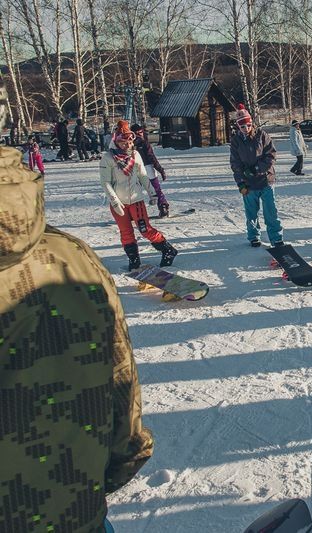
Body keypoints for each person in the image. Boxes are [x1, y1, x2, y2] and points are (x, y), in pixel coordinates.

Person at [0, 145, 154, 532]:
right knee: (128, 233)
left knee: (142, 227)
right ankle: (137, 256)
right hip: (77, 509)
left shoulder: (132, 155)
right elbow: (121, 388)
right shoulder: (73, 256)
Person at [101, 120, 178, 270]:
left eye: (130, 143)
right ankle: (134, 260)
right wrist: (115, 201)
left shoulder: (135, 155)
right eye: (124, 143)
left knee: (145, 229)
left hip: (136, 200)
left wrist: (152, 193)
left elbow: (143, 175)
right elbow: (105, 182)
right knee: (126, 232)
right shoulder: (108, 158)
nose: (128, 146)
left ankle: (168, 250)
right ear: (116, 142)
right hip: (119, 202)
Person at [230, 103, 284, 248]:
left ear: (251, 123)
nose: (245, 128)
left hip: (266, 180)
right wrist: (241, 182)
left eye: (247, 125)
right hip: (249, 184)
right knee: (251, 212)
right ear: (238, 127)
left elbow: (271, 155)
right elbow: (235, 164)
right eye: (242, 126)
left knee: (270, 212)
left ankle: (276, 237)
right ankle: (253, 236)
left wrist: (256, 169)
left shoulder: (262, 135)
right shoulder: (236, 141)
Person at [132, 123, 170, 217]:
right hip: (146, 168)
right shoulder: (144, 143)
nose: (140, 134)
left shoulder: (128, 144)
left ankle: (133, 213)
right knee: (156, 189)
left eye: (141, 132)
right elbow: (152, 157)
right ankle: (163, 206)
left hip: (135, 170)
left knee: (134, 192)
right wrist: (160, 170)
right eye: (138, 133)